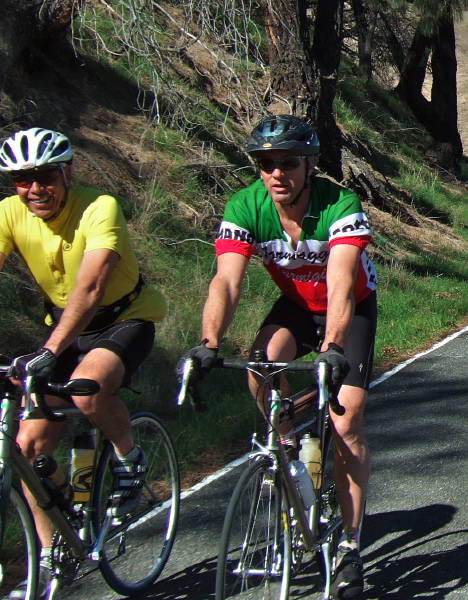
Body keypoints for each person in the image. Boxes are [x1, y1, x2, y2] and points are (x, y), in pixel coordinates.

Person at [184, 115, 377, 599]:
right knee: (259, 370)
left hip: (347, 308)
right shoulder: (245, 206)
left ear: (310, 165)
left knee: (347, 419)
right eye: (265, 163)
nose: (276, 173)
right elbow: (227, 282)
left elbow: (339, 285)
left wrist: (333, 348)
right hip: (294, 305)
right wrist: (208, 343)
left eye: (288, 162)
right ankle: (291, 457)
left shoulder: (340, 204)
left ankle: (350, 549)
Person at [0, 127, 167, 599]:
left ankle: (128, 455)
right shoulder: (8, 214)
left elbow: (92, 288)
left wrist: (50, 352)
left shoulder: (100, 207)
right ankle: (58, 555)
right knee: (29, 447)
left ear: (67, 172)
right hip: (63, 331)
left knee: (87, 385)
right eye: (21, 179)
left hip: (124, 318)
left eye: (46, 176)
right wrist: (51, 349)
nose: (35, 189)